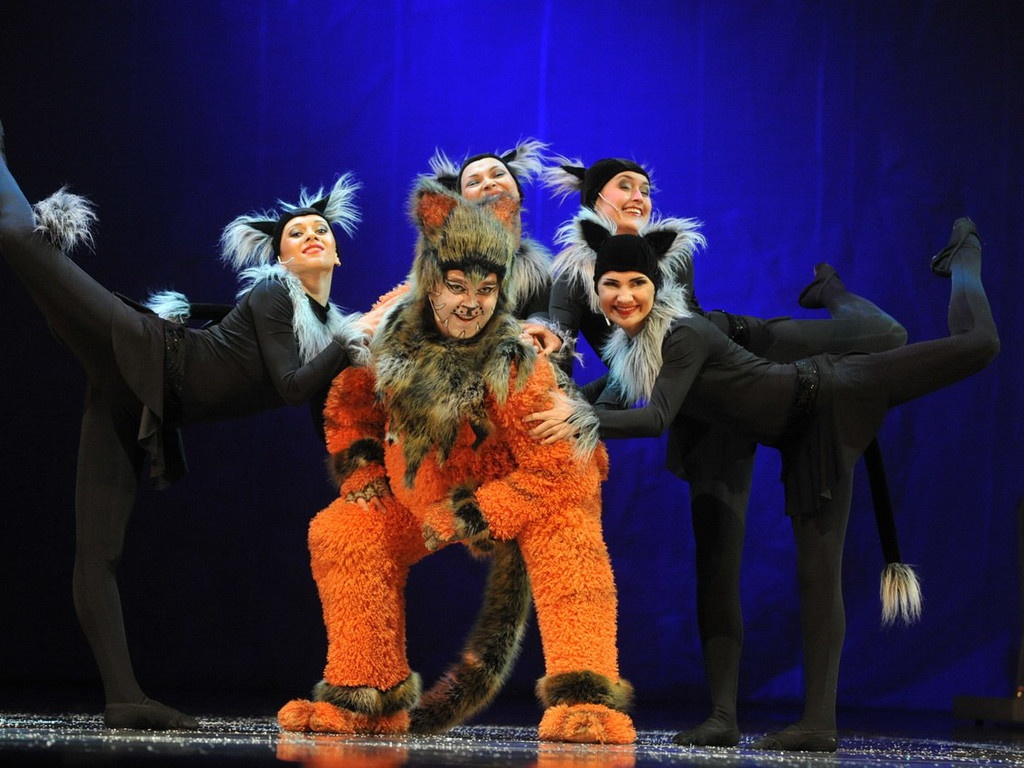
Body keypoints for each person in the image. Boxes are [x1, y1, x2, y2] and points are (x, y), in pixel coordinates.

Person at [527, 210, 999, 751]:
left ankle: (965, 256)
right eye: (612, 284)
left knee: (978, 344)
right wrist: (541, 403)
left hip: (834, 393)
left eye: (637, 283)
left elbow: (655, 419)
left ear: (657, 286)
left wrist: (578, 417)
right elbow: (603, 399)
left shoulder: (683, 333)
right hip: (801, 438)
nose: (625, 295)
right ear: (595, 289)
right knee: (817, 574)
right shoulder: (631, 350)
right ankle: (817, 726)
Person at [0, 121, 375, 730]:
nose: (310, 236)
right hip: (147, 350)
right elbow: (290, 386)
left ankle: (123, 698)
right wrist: (351, 342)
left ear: (337, 253)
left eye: (320, 231)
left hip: (138, 399)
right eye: (296, 233)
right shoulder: (276, 297)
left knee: (98, 552)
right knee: (24, 240)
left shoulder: (323, 331)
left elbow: (319, 411)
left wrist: (361, 473)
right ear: (280, 258)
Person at [276, 178, 637, 744]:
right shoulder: (390, 330)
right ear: (430, 282)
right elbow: (348, 402)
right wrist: (364, 470)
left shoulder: (516, 362)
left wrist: (474, 513)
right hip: (426, 488)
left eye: (487, 290)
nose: (471, 303)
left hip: (527, 490)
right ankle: (366, 696)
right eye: (456, 286)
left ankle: (587, 700)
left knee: (569, 531)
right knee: (344, 530)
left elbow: (560, 471)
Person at [428, 138, 561, 355]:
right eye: (473, 182)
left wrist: (537, 335)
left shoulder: (537, 274)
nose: (489, 183)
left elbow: (542, 320)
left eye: (498, 174)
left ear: (518, 192)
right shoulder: (444, 262)